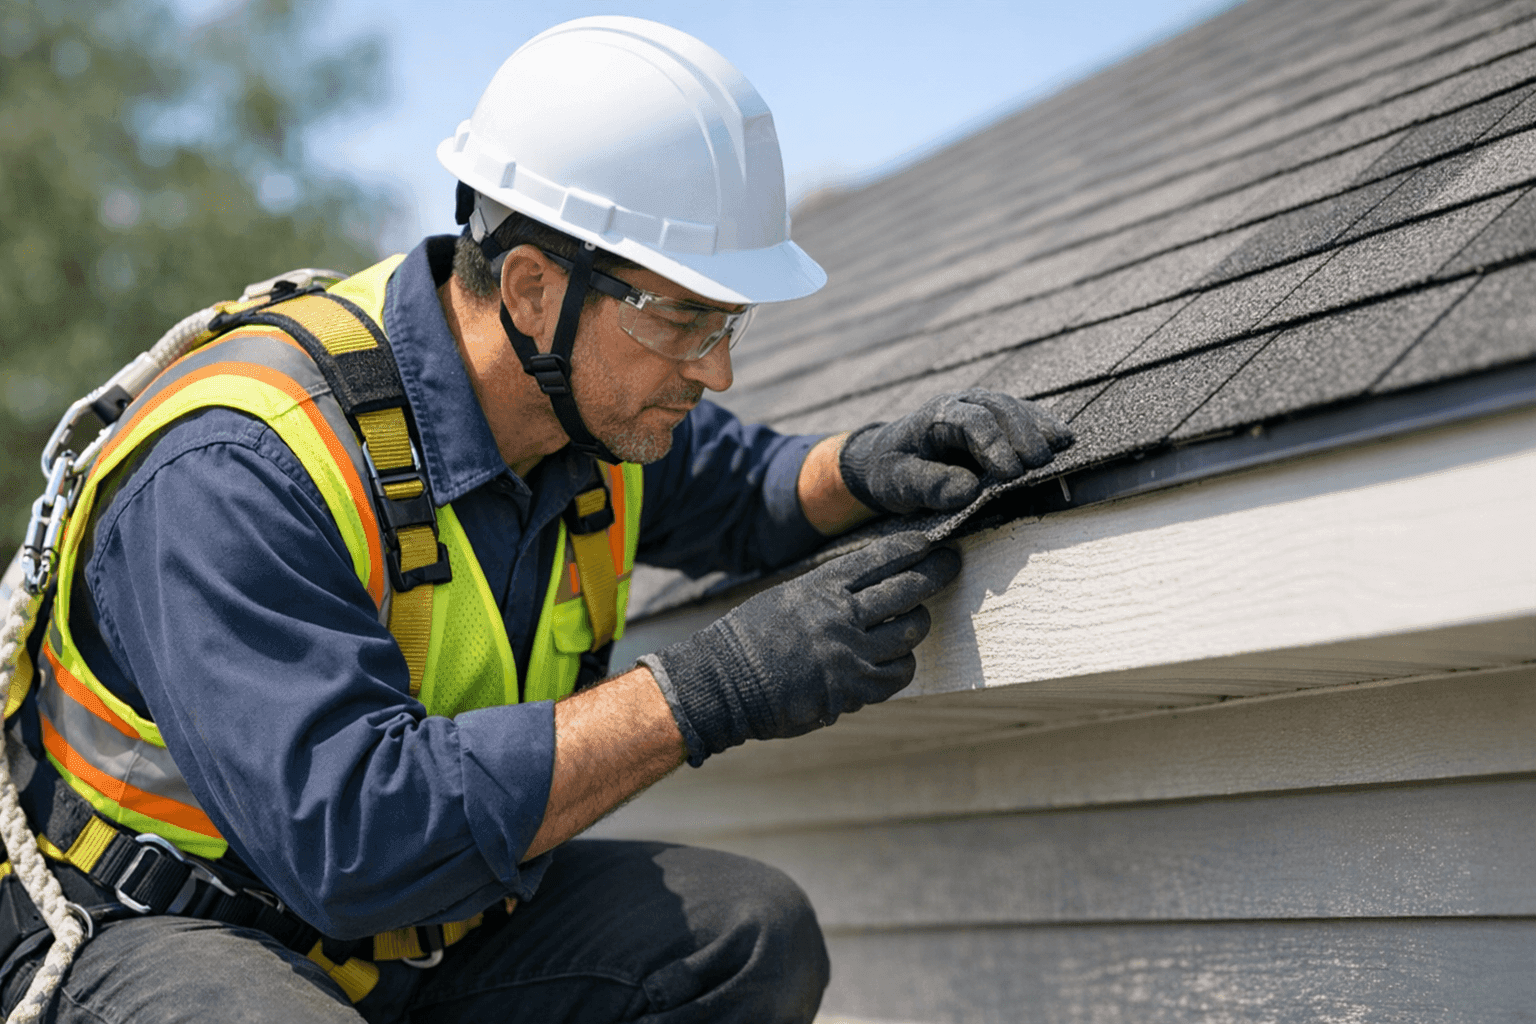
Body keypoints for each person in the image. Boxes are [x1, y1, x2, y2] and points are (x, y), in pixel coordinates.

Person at [0, 16, 1071, 1024]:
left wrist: (873, 464)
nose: (720, 367)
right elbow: (351, 839)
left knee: (747, 934)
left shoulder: (587, 412)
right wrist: (711, 691)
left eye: (728, 321)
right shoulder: (240, 466)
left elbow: (749, 486)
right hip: (151, 928)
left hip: (401, 941)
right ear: (527, 287)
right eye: (685, 320)